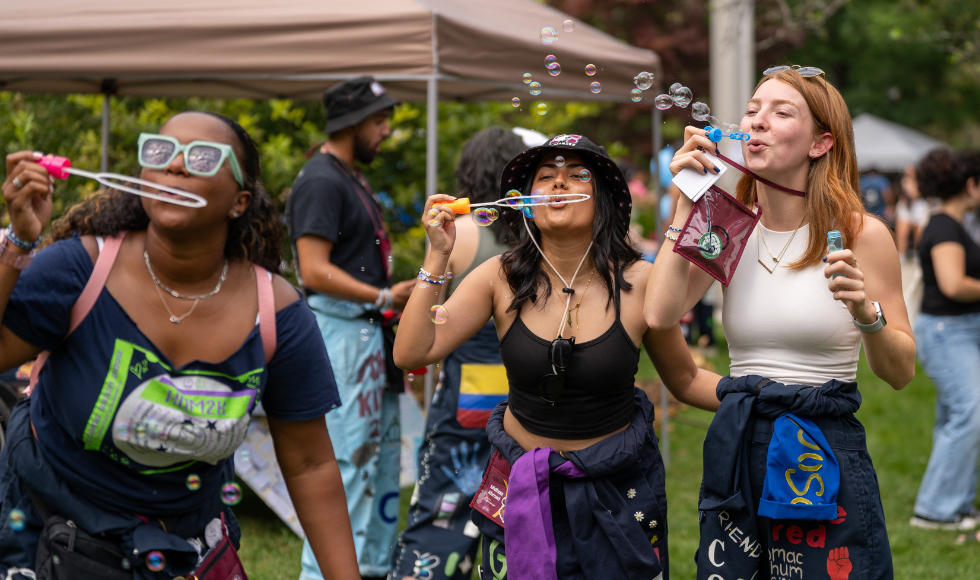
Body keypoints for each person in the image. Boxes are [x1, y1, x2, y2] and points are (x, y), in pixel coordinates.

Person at [0, 111, 359, 579]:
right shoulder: (79, 271)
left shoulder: (278, 315)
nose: (175, 165)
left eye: (204, 157)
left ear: (239, 201)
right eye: (160, 152)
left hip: (182, 549)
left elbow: (311, 464)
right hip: (48, 532)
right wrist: (19, 242)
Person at [395, 134, 722, 580]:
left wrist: (762, 395)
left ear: (602, 199)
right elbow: (412, 350)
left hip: (617, 490)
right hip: (520, 486)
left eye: (573, 176)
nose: (557, 183)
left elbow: (684, 379)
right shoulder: (499, 277)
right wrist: (438, 253)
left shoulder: (641, 280)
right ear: (526, 204)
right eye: (544, 177)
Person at [645, 66, 915, 580]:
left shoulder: (860, 233)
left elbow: (901, 372)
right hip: (740, 444)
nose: (757, 121)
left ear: (820, 143)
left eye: (780, 111)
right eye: (751, 109)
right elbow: (659, 315)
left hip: (822, 450)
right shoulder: (726, 225)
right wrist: (686, 204)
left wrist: (866, 316)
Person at [286, 76, 415, 580]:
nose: (385, 131)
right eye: (379, 120)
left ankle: (371, 568)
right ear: (352, 123)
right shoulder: (321, 179)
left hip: (366, 340)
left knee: (378, 466)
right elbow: (313, 269)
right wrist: (384, 296)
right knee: (344, 464)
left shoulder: (350, 175)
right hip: (339, 338)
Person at [391, 127, 525, 580]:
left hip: (467, 389)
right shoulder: (530, 234)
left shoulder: (461, 231)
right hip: (518, 388)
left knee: (443, 499)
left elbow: (431, 320)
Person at [909, 148, 980, 531]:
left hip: (957, 331)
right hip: (946, 332)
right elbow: (953, 283)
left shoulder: (951, 225)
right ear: (971, 185)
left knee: (958, 417)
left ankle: (958, 506)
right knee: (972, 413)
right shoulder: (944, 227)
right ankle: (935, 510)